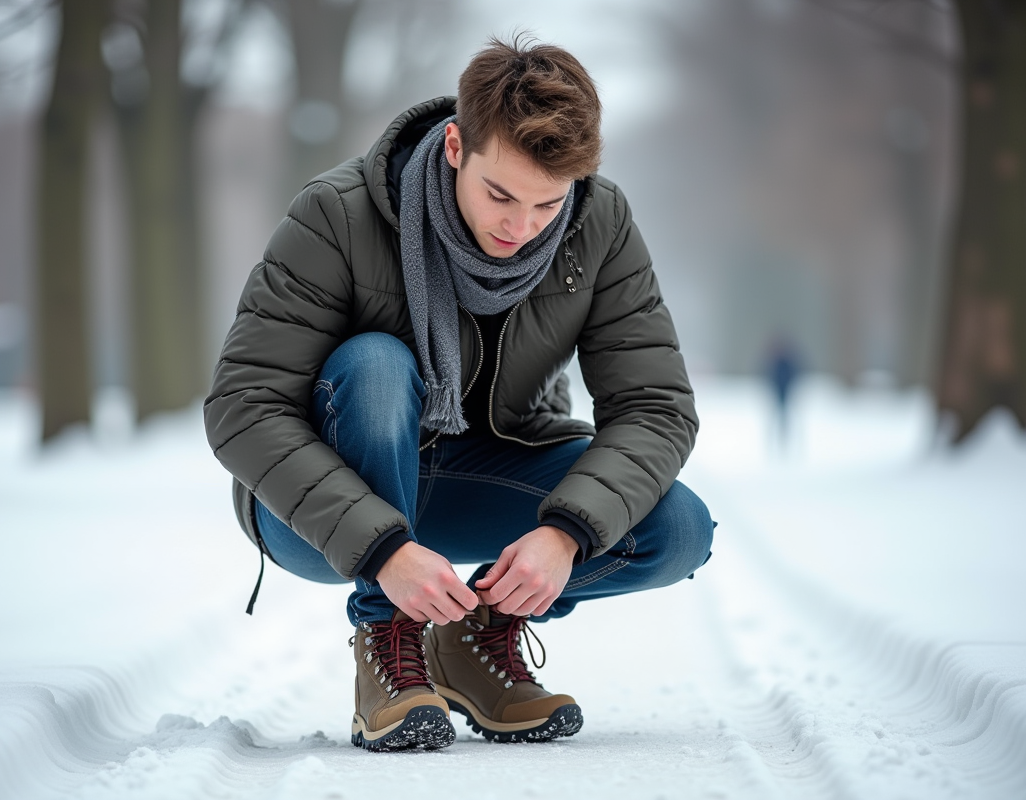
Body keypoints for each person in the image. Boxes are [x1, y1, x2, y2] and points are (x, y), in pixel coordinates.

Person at [204, 36, 714, 752]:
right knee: (376, 365)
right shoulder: (336, 214)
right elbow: (241, 406)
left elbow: (656, 408)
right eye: (500, 194)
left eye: (547, 203)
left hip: (488, 474)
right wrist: (381, 549)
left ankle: (474, 640)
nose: (521, 226)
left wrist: (567, 532)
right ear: (454, 148)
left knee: (677, 529)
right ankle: (388, 640)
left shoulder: (598, 226)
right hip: (325, 504)